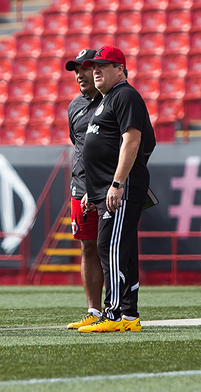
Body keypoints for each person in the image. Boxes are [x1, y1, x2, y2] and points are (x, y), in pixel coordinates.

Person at [77, 46, 156, 333]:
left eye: (103, 65)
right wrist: (93, 189)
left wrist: (118, 182)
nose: (95, 70)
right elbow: (103, 146)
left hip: (121, 187)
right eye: (93, 66)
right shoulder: (106, 98)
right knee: (122, 249)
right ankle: (128, 315)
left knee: (109, 247)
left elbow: (133, 141)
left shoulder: (125, 94)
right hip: (104, 189)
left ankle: (112, 315)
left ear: (120, 69)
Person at [63, 49, 105, 330]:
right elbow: (79, 147)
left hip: (109, 189)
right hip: (80, 189)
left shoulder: (115, 101)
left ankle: (119, 309)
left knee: (112, 248)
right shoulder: (74, 106)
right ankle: (93, 310)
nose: (79, 74)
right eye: (76, 70)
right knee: (88, 248)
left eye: (85, 68)